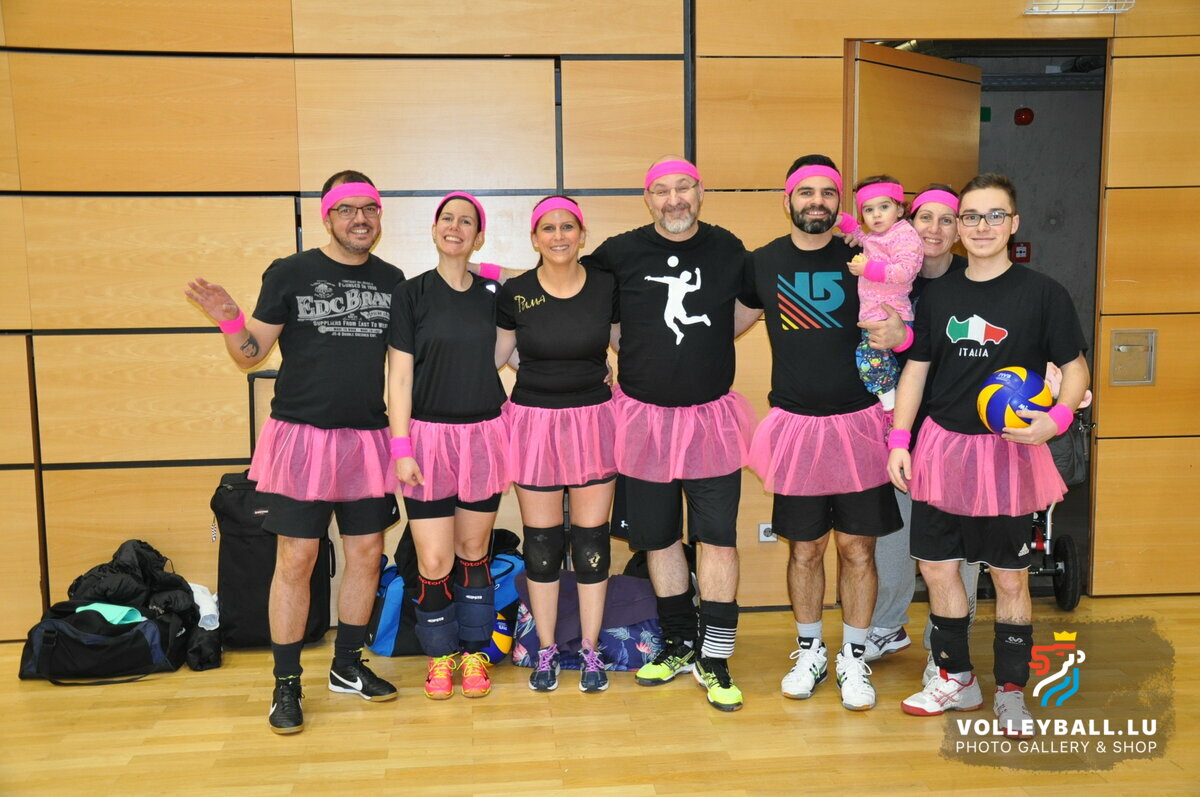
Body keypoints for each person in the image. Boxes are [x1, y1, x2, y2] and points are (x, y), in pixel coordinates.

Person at [185, 171, 403, 735]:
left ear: (379, 216)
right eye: (347, 209)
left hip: (367, 439)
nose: (360, 219)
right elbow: (250, 353)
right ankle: (286, 683)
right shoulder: (291, 272)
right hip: (302, 439)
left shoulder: (392, 280)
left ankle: (347, 667)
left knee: (366, 554)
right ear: (328, 217)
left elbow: (408, 362)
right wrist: (230, 318)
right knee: (297, 559)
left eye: (369, 209)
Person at [887, 173, 1089, 736]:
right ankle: (956, 678)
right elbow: (916, 371)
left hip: (1008, 455)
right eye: (971, 216)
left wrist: (1056, 419)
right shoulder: (940, 295)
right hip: (941, 448)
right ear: (957, 228)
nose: (982, 226)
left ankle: (1010, 692)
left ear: (1013, 224)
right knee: (938, 568)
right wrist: (900, 439)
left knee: (1009, 578)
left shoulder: (1044, 293)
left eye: (994, 215)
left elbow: (1074, 369)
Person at [582, 156, 759, 712]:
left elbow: (748, 309)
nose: (674, 198)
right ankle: (680, 642)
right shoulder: (619, 251)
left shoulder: (728, 247)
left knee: (718, 540)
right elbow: (572, 289)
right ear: (648, 198)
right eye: (662, 190)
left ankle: (717, 657)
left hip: (711, 422)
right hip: (644, 423)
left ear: (700, 192)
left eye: (684, 187)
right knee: (658, 539)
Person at [740, 155, 903, 711]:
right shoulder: (761, 262)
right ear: (787, 200)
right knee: (805, 550)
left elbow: (908, 307)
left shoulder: (865, 256)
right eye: (805, 192)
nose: (816, 201)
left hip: (861, 426)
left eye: (827, 193)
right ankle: (810, 650)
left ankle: (854, 656)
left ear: (840, 203)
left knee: (858, 549)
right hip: (797, 429)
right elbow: (724, 325)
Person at [387, 191, 510, 700]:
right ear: (433, 229)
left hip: (484, 437)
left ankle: (475, 652)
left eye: (466, 222)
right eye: (447, 219)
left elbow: (540, 276)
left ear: (479, 236)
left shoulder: (494, 294)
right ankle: (440, 656)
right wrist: (401, 447)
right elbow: (399, 377)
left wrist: (486, 270)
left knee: (474, 550)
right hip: (426, 440)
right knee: (434, 561)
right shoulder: (410, 293)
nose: (455, 227)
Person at [494, 195, 619, 694]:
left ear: (582, 235)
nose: (559, 235)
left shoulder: (606, 286)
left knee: (591, 543)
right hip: (534, 425)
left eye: (568, 227)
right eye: (548, 228)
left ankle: (590, 650)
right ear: (534, 238)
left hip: (594, 422)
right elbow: (497, 355)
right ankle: (545, 649)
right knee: (542, 546)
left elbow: (626, 345)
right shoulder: (516, 292)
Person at [864, 185, 981, 683]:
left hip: (958, 432)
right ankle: (887, 625)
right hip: (898, 430)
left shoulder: (974, 281)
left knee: (956, 548)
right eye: (925, 218)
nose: (934, 229)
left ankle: (947, 645)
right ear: (907, 222)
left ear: (959, 230)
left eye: (947, 219)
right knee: (892, 535)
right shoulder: (888, 274)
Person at [841, 175, 924, 410]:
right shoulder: (878, 236)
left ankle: (891, 407)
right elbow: (860, 237)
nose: (876, 215)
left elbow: (905, 271)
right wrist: (842, 221)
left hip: (890, 316)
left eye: (884, 207)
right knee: (882, 365)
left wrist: (868, 269)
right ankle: (894, 402)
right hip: (874, 315)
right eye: (868, 209)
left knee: (869, 360)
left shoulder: (904, 234)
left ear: (900, 209)